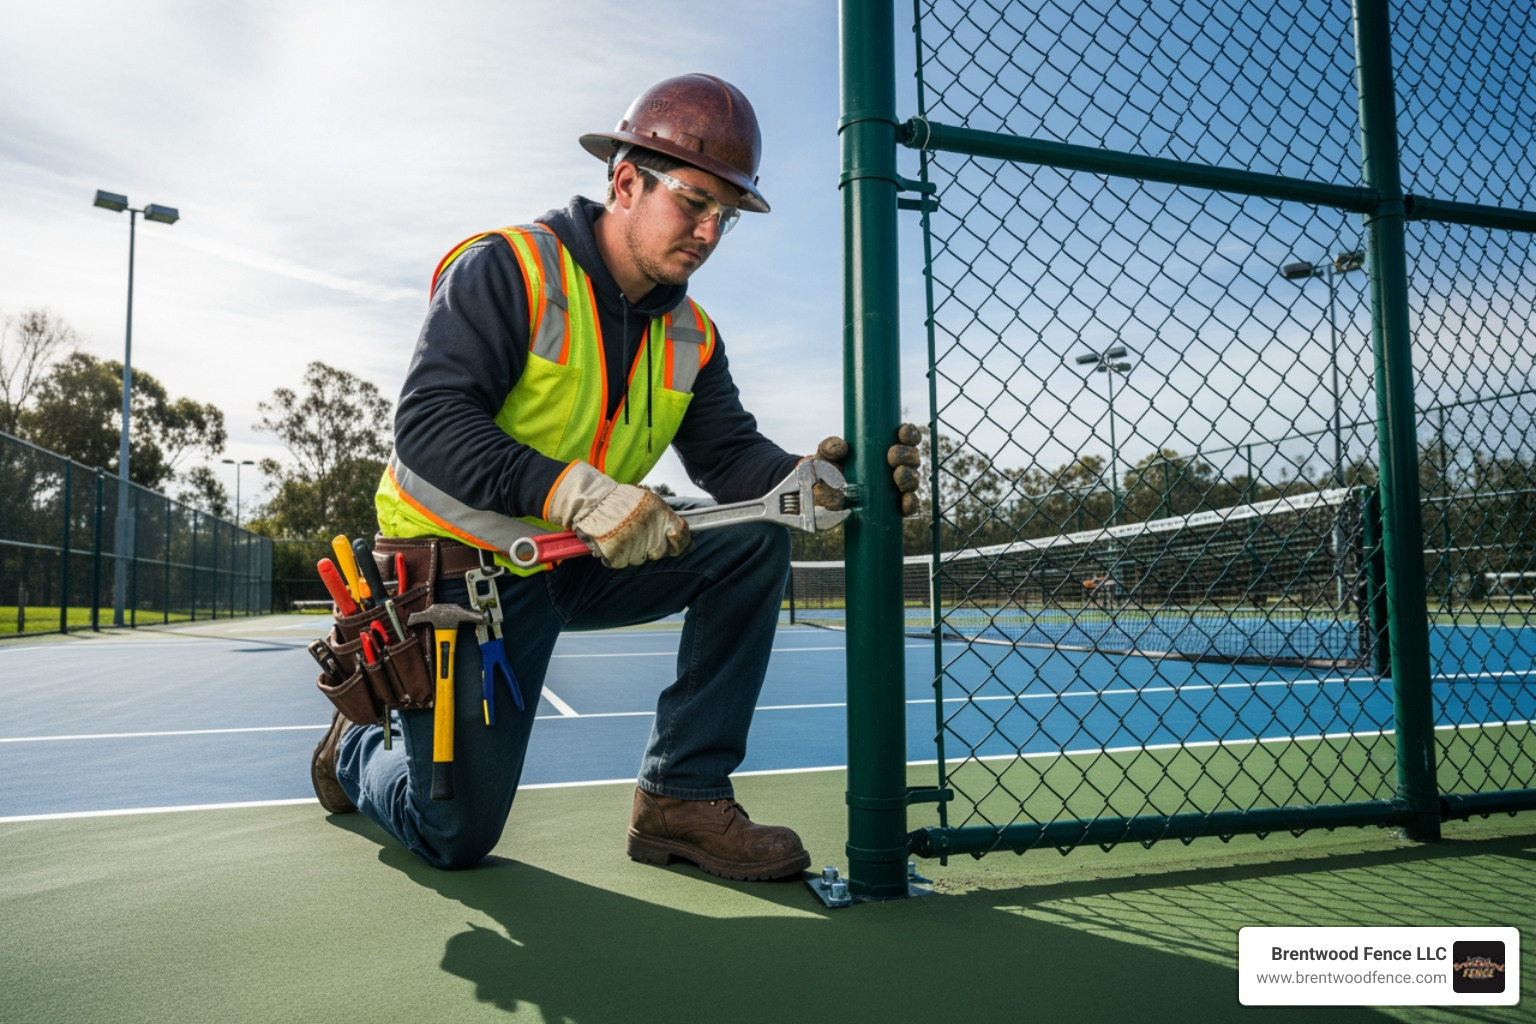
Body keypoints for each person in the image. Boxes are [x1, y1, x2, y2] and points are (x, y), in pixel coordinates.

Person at [310, 73, 918, 880]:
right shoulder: (510, 270)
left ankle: (681, 797)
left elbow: (732, 458)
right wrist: (578, 494)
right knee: (453, 836)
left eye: (724, 217)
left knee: (753, 540)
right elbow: (428, 426)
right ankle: (355, 748)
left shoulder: (693, 334)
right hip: (460, 581)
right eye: (693, 202)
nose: (707, 233)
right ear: (625, 182)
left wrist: (814, 483)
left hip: (581, 562)